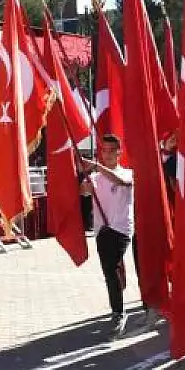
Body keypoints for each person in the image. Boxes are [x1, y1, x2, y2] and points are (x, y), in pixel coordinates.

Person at [80, 134, 135, 338]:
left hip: (120, 229)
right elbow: (83, 192)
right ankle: (118, 279)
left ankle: (118, 313)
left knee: (111, 269)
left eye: (113, 150)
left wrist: (96, 166)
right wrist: (83, 176)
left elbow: (120, 182)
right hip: (102, 230)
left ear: (119, 153)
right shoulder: (95, 177)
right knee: (108, 271)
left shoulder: (127, 173)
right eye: (105, 150)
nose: (108, 154)